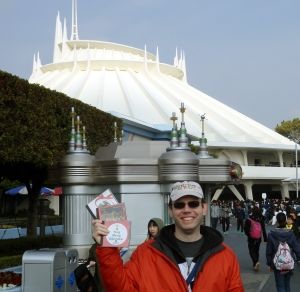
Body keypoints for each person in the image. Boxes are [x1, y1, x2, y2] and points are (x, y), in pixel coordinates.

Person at [92, 181, 244, 292]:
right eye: (179, 205)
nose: (186, 209)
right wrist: (107, 247)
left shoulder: (226, 256)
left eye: (193, 204)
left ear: (204, 208)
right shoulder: (145, 253)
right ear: (170, 211)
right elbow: (120, 289)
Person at [266, 212, 300, 292]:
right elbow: (297, 248)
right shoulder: (290, 234)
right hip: (289, 262)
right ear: (285, 220)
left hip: (278, 263)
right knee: (287, 284)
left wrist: (270, 263)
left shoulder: (272, 235)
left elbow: (269, 251)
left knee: (280, 286)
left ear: (277, 221)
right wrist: (298, 258)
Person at [244, 206, 267, 271]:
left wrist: (248, 235)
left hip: (251, 237)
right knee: (256, 251)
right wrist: (265, 238)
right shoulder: (261, 219)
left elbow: (246, 230)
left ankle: (256, 262)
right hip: (258, 237)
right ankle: (255, 264)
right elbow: (263, 229)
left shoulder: (249, 219)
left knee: (251, 250)